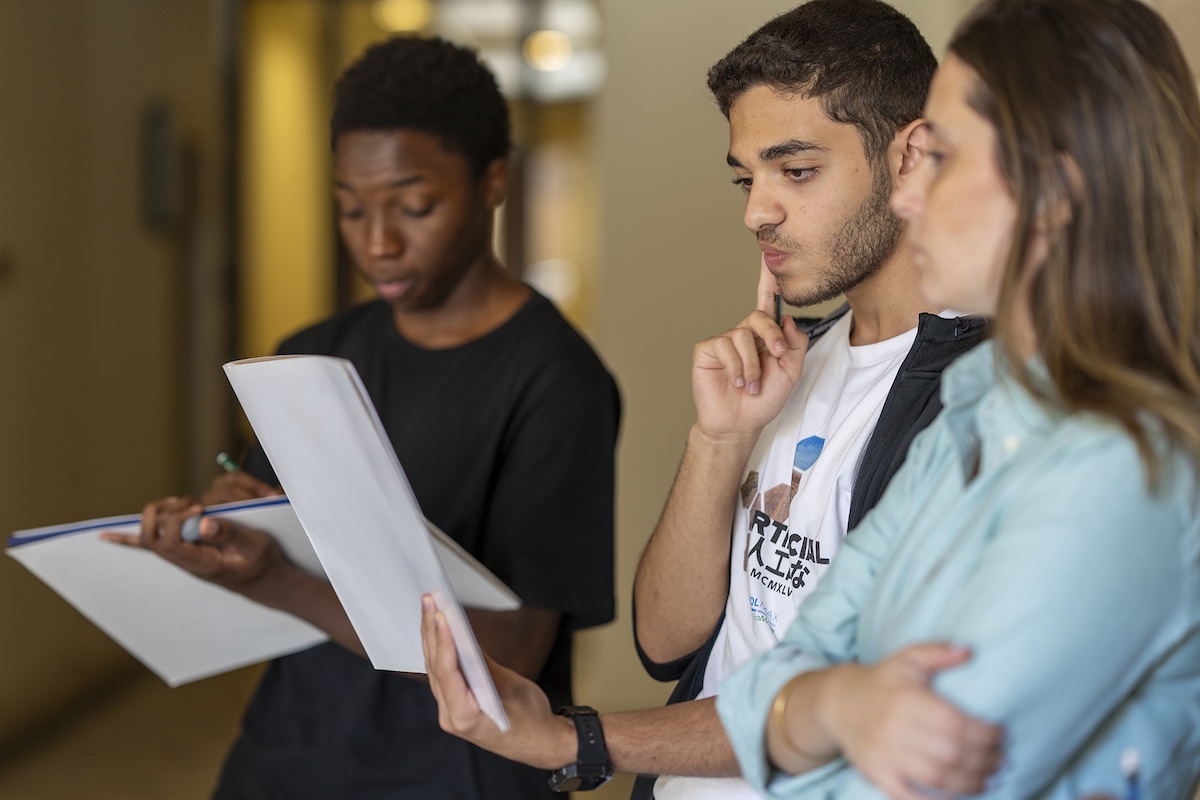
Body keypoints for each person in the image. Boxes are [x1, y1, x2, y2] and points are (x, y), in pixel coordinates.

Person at [420, 2, 990, 797]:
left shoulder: (984, 400)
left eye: (796, 172)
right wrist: (719, 440)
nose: (756, 211)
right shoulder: (795, 361)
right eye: (746, 177)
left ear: (910, 158)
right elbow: (666, 641)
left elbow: (866, 704)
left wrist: (573, 740)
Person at [104, 36, 620, 800]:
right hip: (289, 751)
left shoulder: (557, 381)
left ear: (493, 182)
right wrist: (219, 538)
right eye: (351, 208)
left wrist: (282, 579)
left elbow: (509, 651)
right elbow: (263, 558)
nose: (377, 243)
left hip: (456, 772)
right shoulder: (311, 356)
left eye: (415, 207)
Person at [711, 0, 1200, 798]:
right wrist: (835, 699)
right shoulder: (978, 405)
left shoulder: (1126, 472)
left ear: (1055, 192)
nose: (908, 197)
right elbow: (784, 665)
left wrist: (817, 712)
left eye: (939, 158)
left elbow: (909, 781)